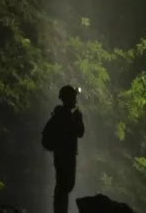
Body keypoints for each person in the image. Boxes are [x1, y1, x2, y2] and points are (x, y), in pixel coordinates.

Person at [43, 85, 85, 213]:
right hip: (64, 156)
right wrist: (77, 120)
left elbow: (79, 132)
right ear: (68, 99)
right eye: (73, 97)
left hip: (64, 156)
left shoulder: (63, 115)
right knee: (63, 187)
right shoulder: (63, 116)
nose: (75, 100)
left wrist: (77, 120)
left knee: (65, 187)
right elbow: (78, 131)